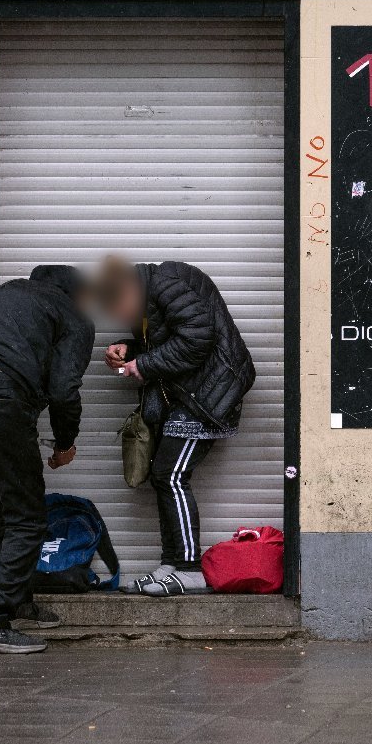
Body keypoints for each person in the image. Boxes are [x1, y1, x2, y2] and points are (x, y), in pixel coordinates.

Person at [0, 265, 95, 654]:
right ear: (76, 293)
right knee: (27, 516)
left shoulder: (9, 292)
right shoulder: (74, 316)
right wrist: (65, 443)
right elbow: (63, 390)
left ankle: (15, 601)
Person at [96, 256, 255, 597]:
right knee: (163, 475)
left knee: (170, 475)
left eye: (120, 309)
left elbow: (198, 338)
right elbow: (173, 337)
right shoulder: (150, 296)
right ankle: (172, 563)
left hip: (211, 393)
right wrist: (132, 349)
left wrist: (145, 362)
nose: (121, 317)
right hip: (191, 394)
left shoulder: (168, 281)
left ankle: (188, 569)